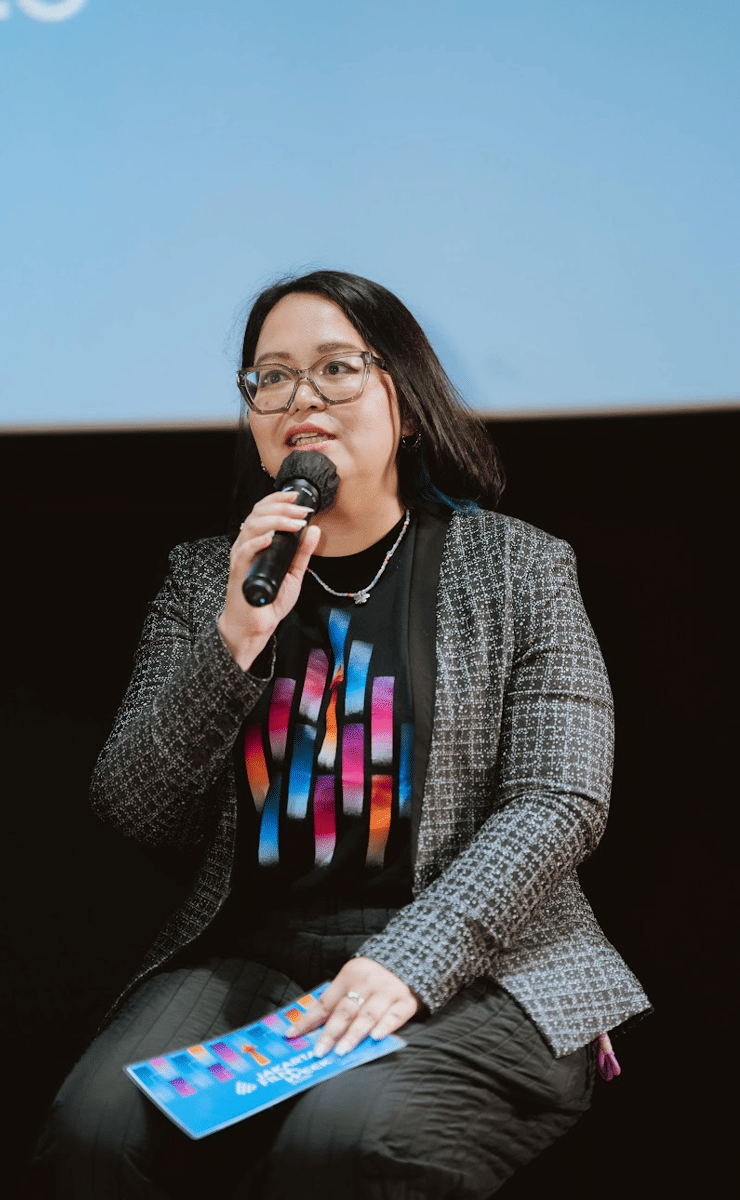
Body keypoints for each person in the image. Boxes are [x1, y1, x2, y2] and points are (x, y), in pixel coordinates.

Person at [33, 270, 651, 1198]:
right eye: (271, 377)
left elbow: (560, 800)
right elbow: (134, 803)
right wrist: (233, 643)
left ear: (404, 402)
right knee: (90, 1135)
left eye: (335, 369)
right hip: (258, 953)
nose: (301, 399)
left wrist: (412, 957)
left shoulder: (518, 565)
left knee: (346, 1142)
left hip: (484, 951)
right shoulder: (210, 578)